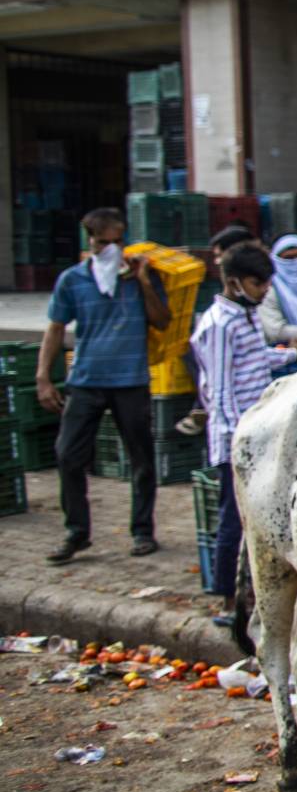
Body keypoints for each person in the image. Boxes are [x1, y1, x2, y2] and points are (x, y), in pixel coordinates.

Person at [39, 207, 171, 563]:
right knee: (68, 455)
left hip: (131, 381)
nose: (111, 249)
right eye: (103, 242)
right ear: (91, 243)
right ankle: (76, 531)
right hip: (85, 380)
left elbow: (162, 321)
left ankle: (143, 531)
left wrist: (144, 282)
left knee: (141, 458)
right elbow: (55, 329)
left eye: (118, 241)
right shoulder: (73, 280)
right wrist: (43, 378)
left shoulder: (143, 277)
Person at [190, 243, 297, 626]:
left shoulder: (246, 316)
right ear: (235, 282)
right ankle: (225, 599)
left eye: (268, 282)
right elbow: (219, 391)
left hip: (260, 429)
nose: (265, 289)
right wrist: (237, 440)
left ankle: (256, 589)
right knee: (233, 519)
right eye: (258, 282)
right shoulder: (218, 325)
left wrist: (289, 355)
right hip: (237, 438)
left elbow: (255, 358)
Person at [174, 224, 264, 439]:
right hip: (235, 433)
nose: (216, 262)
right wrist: (235, 434)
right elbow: (220, 388)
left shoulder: (251, 297)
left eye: (219, 255)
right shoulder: (221, 323)